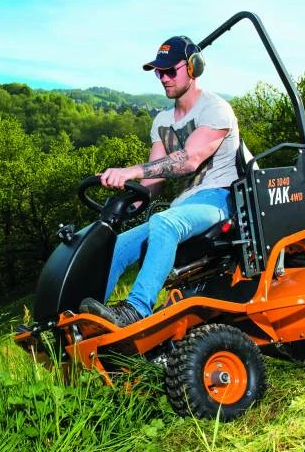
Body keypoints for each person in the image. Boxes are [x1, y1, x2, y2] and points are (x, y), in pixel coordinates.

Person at [79, 35, 244, 327]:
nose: (163, 78)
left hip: (219, 199)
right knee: (114, 245)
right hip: (182, 207)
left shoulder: (215, 109)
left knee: (164, 223)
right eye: (159, 72)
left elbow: (189, 160)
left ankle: (137, 310)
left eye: (170, 71)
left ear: (193, 67)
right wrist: (125, 198)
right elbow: (154, 182)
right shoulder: (161, 121)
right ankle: (86, 320)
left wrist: (131, 171)